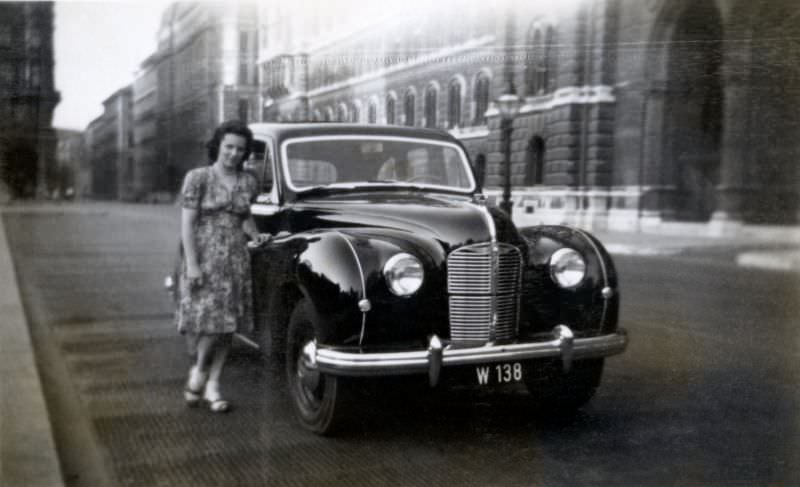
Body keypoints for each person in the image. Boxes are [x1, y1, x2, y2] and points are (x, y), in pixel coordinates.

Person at [176, 120, 270, 413]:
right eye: (228, 147)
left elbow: (243, 215)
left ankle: (213, 386)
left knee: (229, 327)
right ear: (218, 145)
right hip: (205, 258)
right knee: (209, 326)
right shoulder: (198, 178)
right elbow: (187, 225)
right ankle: (199, 373)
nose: (233, 154)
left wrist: (256, 235)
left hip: (236, 259)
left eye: (240, 149)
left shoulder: (248, 181)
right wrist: (192, 264)